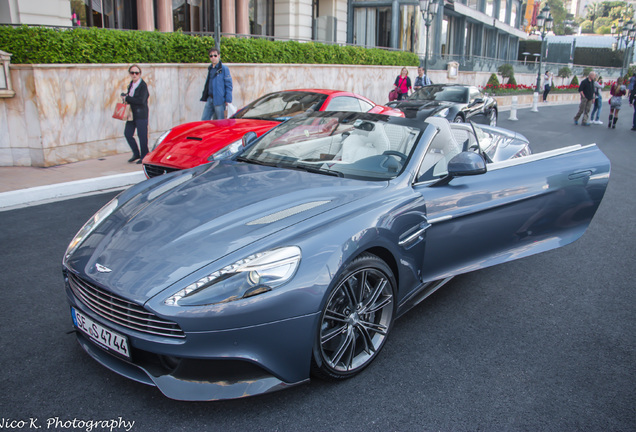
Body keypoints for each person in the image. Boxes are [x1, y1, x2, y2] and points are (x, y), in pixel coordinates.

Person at [121, 64, 149, 164]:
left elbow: (141, 100)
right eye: (132, 73)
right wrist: (125, 96)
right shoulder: (131, 85)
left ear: (140, 74)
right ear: (130, 74)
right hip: (132, 114)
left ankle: (144, 155)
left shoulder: (143, 86)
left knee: (142, 136)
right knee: (127, 134)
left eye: (136, 73)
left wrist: (127, 98)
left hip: (141, 114)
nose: (134, 75)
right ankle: (136, 153)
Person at [200, 47, 233, 121]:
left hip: (219, 100)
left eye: (215, 55)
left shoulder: (224, 69)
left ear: (219, 56)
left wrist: (228, 100)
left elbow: (228, 85)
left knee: (220, 121)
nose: (213, 57)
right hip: (210, 99)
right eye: (211, 56)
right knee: (204, 120)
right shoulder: (210, 68)